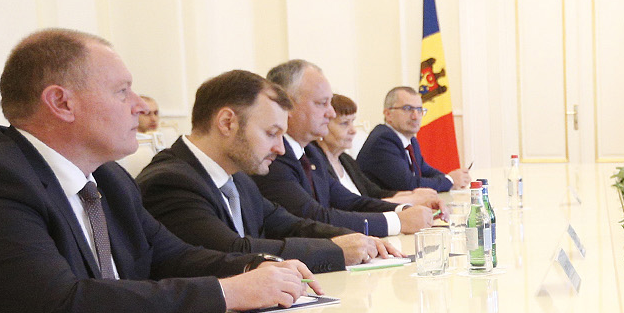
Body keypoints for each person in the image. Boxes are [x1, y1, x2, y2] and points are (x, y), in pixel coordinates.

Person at [0, 29, 317, 313]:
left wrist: (257, 267)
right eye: (122, 91)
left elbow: (171, 255)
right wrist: (228, 292)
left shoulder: (107, 177)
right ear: (61, 103)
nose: (140, 106)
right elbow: (63, 307)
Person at [137, 71, 403, 273]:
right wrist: (334, 250)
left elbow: (290, 223)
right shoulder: (170, 181)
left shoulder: (238, 178)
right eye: (271, 133)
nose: (280, 148)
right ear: (227, 123)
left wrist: (354, 238)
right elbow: (232, 250)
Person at [257, 60, 436, 237]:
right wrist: (398, 221)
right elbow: (314, 217)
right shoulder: (273, 157)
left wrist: (404, 209)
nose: (331, 113)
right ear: (288, 105)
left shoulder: (311, 153)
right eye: (322, 103)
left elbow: (350, 202)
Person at [319, 93, 441, 209]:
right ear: (322, 125)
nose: (353, 130)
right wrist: (410, 199)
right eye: (344, 123)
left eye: (353, 122)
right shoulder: (317, 164)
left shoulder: (345, 159)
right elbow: (354, 205)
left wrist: (412, 194)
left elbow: (374, 193)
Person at [356, 86, 454, 193]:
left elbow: (425, 171)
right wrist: (449, 181)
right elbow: (409, 185)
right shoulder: (383, 140)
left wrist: (447, 178)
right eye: (407, 109)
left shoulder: (411, 141)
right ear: (388, 114)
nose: (415, 116)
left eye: (419, 110)